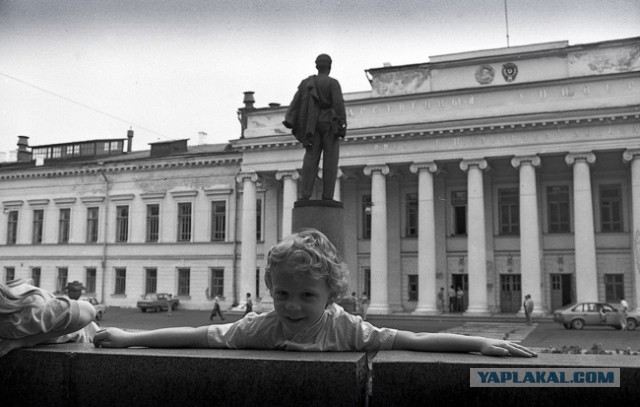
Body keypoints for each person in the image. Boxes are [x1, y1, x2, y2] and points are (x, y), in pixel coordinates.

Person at [93, 229, 536, 358]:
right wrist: (129, 338)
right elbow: (194, 335)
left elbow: (414, 341)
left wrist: (479, 343)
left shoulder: (346, 329)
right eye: (283, 292)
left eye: (307, 296)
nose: (292, 306)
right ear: (268, 288)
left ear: (331, 296)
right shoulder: (261, 326)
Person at [283, 54, 347, 201]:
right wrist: (342, 125)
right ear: (329, 67)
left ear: (316, 66)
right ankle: (328, 196)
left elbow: (296, 102)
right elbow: (338, 105)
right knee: (330, 160)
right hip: (330, 124)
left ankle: (305, 194)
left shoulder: (307, 83)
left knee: (310, 158)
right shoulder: (333, 83)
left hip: (312, 125)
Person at [0, 278, 98, 358]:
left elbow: (88, 311)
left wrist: (25, 341)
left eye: (77, 290)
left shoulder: (22, 318)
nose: (76, 292)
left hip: (80, 338)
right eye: (73, 290)